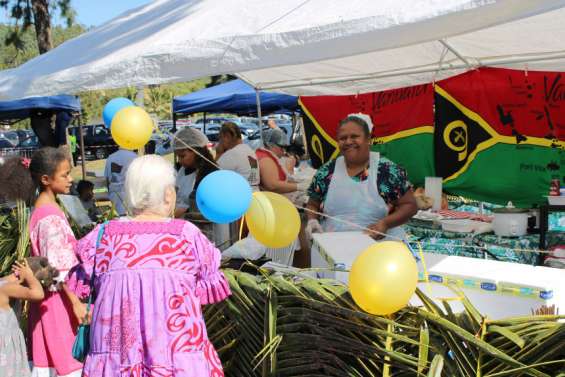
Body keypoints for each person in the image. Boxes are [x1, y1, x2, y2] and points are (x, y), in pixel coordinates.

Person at [72, 155, 230, 376]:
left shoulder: (102, 237)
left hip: (116, 362)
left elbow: (82, 286)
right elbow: (208, 288)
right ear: (168, 194)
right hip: (177, 359)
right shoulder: (186, 236)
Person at [0, 148, 88, 377]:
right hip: (59, 302)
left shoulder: (41, 209)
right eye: (65, 175)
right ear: (46, 179)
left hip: (49, 301)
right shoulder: (49, 216)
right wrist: (76, 303)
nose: (70, 180)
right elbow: (57, 267)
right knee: (67, 363)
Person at [305, 114, 418, 240]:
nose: (348, 142)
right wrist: (312, 220)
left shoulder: (387, 170)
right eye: (343, 138)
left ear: (368, 139)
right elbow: (312, 205)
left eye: (354, 136)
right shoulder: (326, 171)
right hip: (333, 246)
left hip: (377, 247)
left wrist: (385, 223)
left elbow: (410, 205)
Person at [0, 258, 52, 377]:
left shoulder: (2, 282)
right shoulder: (7, 288)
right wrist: (29, 276)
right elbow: (38, 294)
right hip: (5, 350)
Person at [173, 128, 218, 218]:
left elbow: (205, 205)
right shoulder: (182, 169)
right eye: (178, 156)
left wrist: (184, 211)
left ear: (196, 152)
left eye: (182, 156)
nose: (180, 160)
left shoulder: (210, 173)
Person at [256, 128, 309, 194]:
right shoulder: (265, 159)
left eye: (285, 147)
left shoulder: (269, 156)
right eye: (282, 147)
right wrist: (299, 186)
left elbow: (282, 179)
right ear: (270, 145)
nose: (284, 151)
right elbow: (272, 186)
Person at [216, 121, 260, 190]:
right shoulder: (249, 150)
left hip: (240, 195)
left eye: (220, 138)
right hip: (255, 193)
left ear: (227, 136)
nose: (220, 142)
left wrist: (218, 153)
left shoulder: (231, 154)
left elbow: (213, 177)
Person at [104, 147, 137, 216]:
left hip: (114, 194)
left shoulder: (111, 157)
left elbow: (107, 180)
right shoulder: (135, 157)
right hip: (129, 194)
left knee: (117, 219)